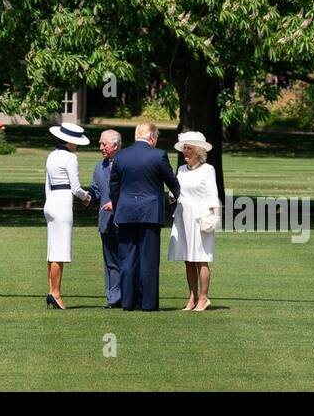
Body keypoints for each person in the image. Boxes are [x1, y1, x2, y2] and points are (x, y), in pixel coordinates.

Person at [109, 122, 178, 311]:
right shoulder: (158, 155)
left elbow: (113, 187)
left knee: (127, 258)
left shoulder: (120, 156)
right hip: (149, 212)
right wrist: (176, 196)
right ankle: (148, 303)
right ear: (152, 137)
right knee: (149, 259)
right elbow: (172, 182)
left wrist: (117, 208)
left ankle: (128, 302)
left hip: (126, 212)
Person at [168, 131, 219, 311]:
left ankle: (204, 298)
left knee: (200, 259)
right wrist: (171, 197)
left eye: (188, 148)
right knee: (187, 259)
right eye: (184, 148)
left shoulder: (208, 169)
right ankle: (192, 297)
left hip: (200, 218)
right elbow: (176, 190)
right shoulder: (181, 169)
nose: (185, 152)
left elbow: (213, 196)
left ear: (198, 151)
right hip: (183, 217)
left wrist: (215, 217)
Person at [44, 122, 93, 309]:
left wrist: (48, 202)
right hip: (63, 203)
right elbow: (76, 187)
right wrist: (86, 197)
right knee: (59, 251)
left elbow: (47, 184)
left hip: (51, 202)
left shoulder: (51, 155)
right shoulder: (70, 158)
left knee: (52, 250)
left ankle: (51, 291)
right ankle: (55, 293)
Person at [89, 129, 123, 308]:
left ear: (115, 145)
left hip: (124, 219)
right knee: (109, 261)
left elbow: (131, 191)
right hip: (105, 220)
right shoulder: (99, 166)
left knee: (124, 259)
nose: (100, 147)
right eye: (100, 143)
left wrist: (115, 203)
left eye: (104, 144)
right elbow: (95, 190)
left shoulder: (127, 164)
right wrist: (86, 197)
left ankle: (127, 296)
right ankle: (113, 298)